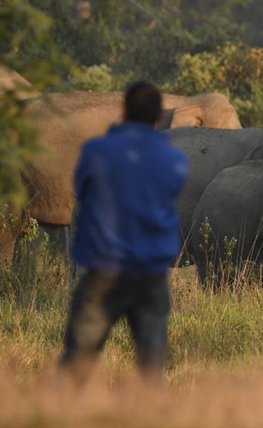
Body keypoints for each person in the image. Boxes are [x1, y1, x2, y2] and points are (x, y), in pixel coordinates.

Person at [60, 81, 188, 383]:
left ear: (123, 110)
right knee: (151, 362)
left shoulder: (96, 151)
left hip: (104, 267)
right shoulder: (173, 159)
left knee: (78, 356)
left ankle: (62, 414)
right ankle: (145, 417)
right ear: (159, 116)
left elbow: (81, 190)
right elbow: (171, 189)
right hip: (151, 272)